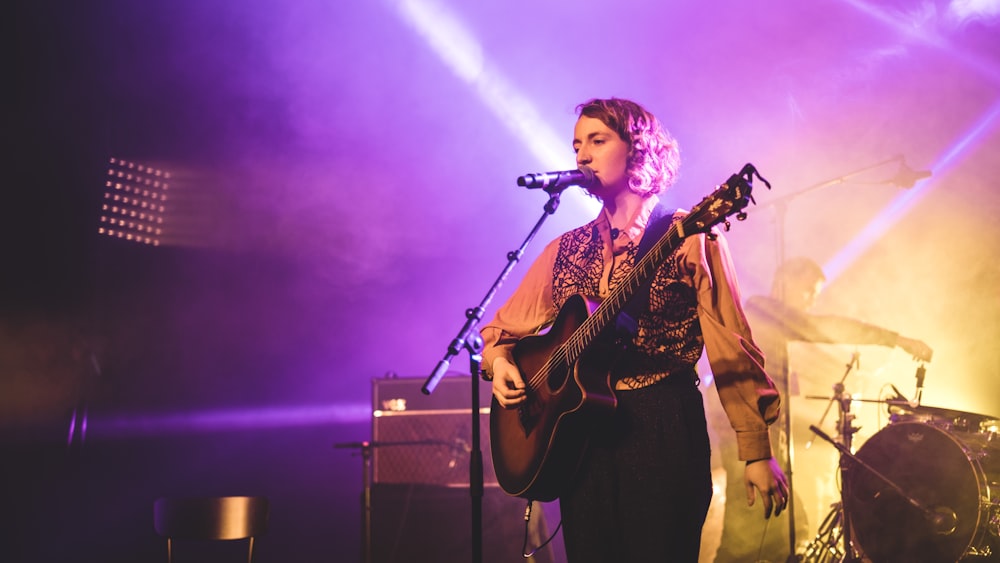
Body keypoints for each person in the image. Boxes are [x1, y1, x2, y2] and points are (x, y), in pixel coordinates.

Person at [480, 97, 788, 563]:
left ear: (639, 151)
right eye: (577, 144)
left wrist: (756, 450)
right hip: (580, 436)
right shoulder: (566, 248)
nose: (581, 155)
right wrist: (500, 361)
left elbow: (732, 347)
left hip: (662, 425)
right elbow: (500, 332)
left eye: (597, 141)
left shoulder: (689, 236)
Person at [711, 256, 933, 562]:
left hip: (757, 432)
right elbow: (823, 328)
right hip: (744, 432)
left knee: (774, 527)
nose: (812, 300)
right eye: (808, 290)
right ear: (784, 283)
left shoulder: (777, 333)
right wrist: (894, 339)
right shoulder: (761, 308)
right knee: (751, 528)